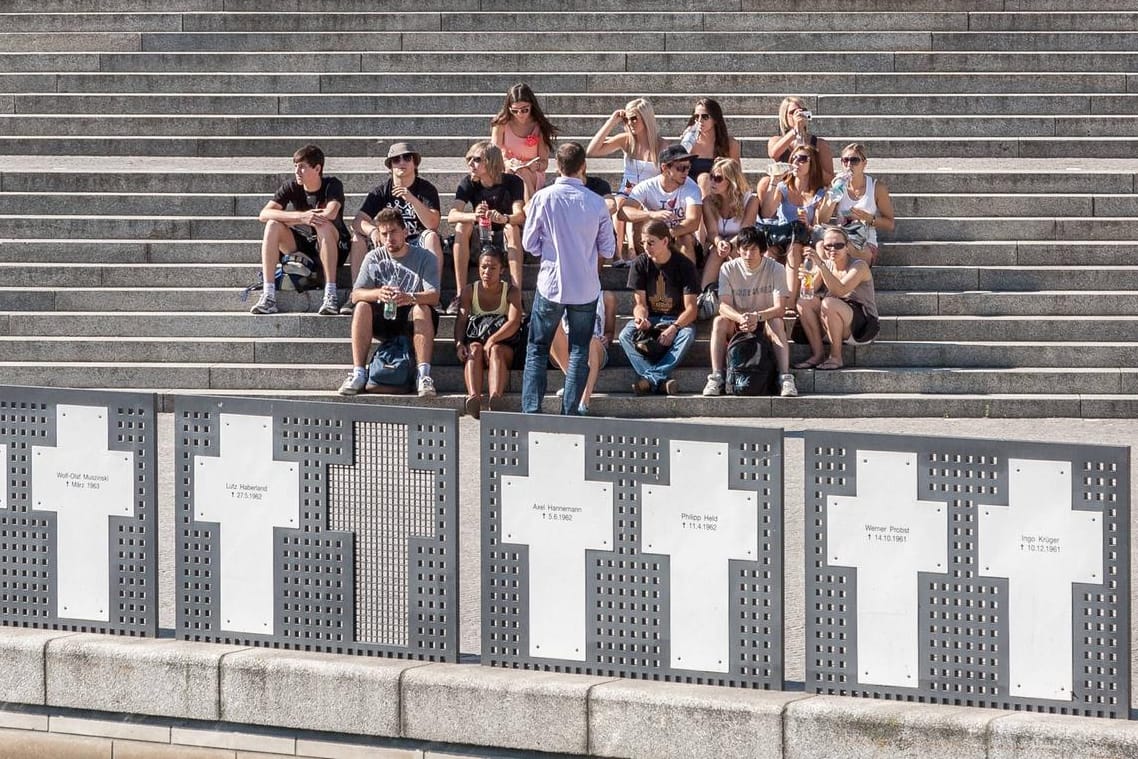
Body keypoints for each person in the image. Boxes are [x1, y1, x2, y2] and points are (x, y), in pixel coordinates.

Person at [521, 141, 615, 415]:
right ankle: (570, 412)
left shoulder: (542, 198)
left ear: (557, 166)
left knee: (537, 348)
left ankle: (531, 410)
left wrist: (548, 251)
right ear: (583, 166)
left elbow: (529, 243)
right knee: (578, 351)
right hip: (585, 286)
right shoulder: (597, 202)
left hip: (551, 283)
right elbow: (608, 249)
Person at [336, 209, 441, 397]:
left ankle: (423, 375)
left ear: (405, 232)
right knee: (361, 305)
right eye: (384, 234)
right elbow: (355, 294)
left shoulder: (425, 257)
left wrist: (410, 297)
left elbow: (434, 296)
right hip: (384, 315)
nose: (388, 238)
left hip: (410, 316)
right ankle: (359, 373)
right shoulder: (373, 257)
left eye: (393, 232)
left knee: (422, 308)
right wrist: (378, 293)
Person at [251, 144, 350, 316]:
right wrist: (300, 217)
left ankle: (330, 294)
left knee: (323, 224)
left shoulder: (332, 185)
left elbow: (331, 212)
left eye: (302, 167)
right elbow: (264, 214)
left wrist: (303, 218)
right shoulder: (291, 186)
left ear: (317, 168)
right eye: (295, 166)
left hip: (332, 246)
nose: (297, 171)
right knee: (272, 224)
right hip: (303, 247)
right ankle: (268, 295)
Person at [702, 226, 796, 398]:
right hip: (739, 323)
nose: (748, 254)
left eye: (753, 249)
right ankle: (716, 377)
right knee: (719, 321)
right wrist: (740, 318)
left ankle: (785, 377)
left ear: (762, 250)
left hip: (765, 320)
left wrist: (757, 317)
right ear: (738, 250)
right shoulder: (728, 268)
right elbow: (723, 306)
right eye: (744, 249)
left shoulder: (776, 269)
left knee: (776, 322)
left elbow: (780, 308)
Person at [348, 142, 442, 310]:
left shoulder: (426, 189)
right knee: (357, 237)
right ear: (390, 165)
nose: (401, 162)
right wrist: (373, 231)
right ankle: (357, 292)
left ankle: (432, 294)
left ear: (414, 163)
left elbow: (433, 223)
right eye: (396, 159)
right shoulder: (382, 191)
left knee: (432, 237)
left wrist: (412, 198)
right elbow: (357, 221)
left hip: (416, 244)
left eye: (407, 158)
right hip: (388, 241)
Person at [619, 219, 699, 396]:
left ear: (665, 241)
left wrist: (674, 327)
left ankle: (649, 379)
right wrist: (641, 318)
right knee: (625, 334)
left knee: (688, 334)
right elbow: (640, 304)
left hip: (676, 320)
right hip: (652, 317)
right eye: (643, 242)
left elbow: (691, 310)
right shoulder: (640, 264)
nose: (646, 247)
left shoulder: (684, 265)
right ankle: (659, 380)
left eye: (651, 242)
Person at [586, 97, 668, 264]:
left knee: (633, 207)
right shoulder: (626, 140)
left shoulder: (661, 145)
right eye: (627, 119)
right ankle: (618, 255)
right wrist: (612, 121)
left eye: (634, 118)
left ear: (646, 118)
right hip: (628, 189)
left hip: (650, 192)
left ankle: (633, 250)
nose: (630, 123)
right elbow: (592, 151)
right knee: (617, 205)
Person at [446, 142, 526, 312]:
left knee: (512, 228)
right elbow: (452, 215)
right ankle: (461, 294)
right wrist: (474, 215)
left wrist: (504, 218)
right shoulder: (468, 182)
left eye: (476, 160)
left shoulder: (513, 182)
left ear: (491, 161)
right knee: (462, 226)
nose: (470, 164)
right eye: (469, 159)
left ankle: (516, 294)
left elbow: (520, 216)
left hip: (503, 240)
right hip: (481, 237)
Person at [794, 226, 880, 371]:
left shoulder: (859, 266)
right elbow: (808, 293)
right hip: (835, 320)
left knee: (829, 303)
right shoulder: (827, 265)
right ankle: (818, 354)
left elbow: (839, 290)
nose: (832, 249)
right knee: (804, 302)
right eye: (828, 246)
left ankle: (836, 357)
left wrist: (821, 265)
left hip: (863, 326)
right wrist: (806, 278)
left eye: (838, 245)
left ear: (847, 247)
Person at [454, 246, 524, 419]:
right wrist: (459, 344)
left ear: (502, 270)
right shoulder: (469, 291)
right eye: (484, 267)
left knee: (496, 350)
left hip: (504, 344)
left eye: (493, 268)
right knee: (475, 349)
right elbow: (461, 320)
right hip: (477, 341)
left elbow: (514, 322)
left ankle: (495, 398)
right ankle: (474, 398)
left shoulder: (511, 292)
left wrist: (492, 340)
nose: (487, 271)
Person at [761, 144, 826, 313]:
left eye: (803, 158)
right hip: (781, 235)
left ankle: (789, 302)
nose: (797, 162)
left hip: (804, 239)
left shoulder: (819, 193)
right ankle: (767, 302)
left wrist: (807, 224)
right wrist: (774, 183)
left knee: (794, 248)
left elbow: (818, 225)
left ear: (812, 164)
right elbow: (767, 212)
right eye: (795, 158)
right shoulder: (783, 187)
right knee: (768, 254)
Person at [619, 145, 703, 264]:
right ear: (664, 168)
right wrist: (651, 214)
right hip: (652, 240)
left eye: (688, 167)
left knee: (685, 237)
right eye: (680, 168)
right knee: (638, 224)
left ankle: (689, 280)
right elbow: (623, 212)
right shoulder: (647, 186)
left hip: (676, 236)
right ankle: (647, 269)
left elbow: (693, 221)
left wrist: (665, 235)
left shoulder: (691, 188)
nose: (686, 172)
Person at [815, 142, 895, 266]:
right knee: (821, 246)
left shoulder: (876, 188)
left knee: (842, 249)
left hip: (865, 244)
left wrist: (868, 218)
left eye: (854, 160)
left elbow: (890, 224)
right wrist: (832, 199)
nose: (849, 165)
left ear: (864, 164)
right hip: (840, 240)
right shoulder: (837, 186)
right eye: (845, 160)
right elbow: (821, 220)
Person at [549, 291, 616, 415]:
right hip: (568, 348)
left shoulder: (606, 297)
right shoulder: (561, 295)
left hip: (595, 346)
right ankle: (574, 384)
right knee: (550, 329)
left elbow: (610, 332)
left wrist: (607, 338)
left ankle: (584, 401)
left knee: (588, 338)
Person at [490, 82, 559, 202]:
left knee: (523, 173)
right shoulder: (501, 124)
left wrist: (534, 166)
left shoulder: (539, 126)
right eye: (515, 111)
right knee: (513, 173)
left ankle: (528, 209)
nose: (520, 114)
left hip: (533, 173)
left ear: (532, 106)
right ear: (509, 109)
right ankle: (526, 210)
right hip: (507, 168)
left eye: (524, 110)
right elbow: (493, 155)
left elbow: (544, 163)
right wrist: (507, 163)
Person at [701, 157, 759, 289]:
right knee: (717, 251)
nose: (712, 182)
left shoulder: (751, 201)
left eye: (718, 178)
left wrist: (729, 245)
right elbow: (712, 232)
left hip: (742, 242)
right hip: (716, 245)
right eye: (711, 177)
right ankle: (704, 295)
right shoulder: (708, 202)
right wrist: (719, 242)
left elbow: (745, 231)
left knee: (736, 251)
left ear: (731, 181)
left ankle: (746, 292)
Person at [678, 97, 742, 196]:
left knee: (704, 179)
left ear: (715, 119)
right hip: (691, 193)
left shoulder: (730, 144)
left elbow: (737, 176)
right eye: (696, 117)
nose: (700, 120)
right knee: (703, 179)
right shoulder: (689, 143)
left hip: (719, 193)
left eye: (705, 117)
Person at [767, 96, 835, 184]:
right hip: (786, 187)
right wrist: (795, 130)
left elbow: (830, 178)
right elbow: (774, 153)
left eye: (802, 111)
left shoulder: (820, 144)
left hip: (811, 187)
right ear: (785, 117)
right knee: (765, 183)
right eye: (793, 112)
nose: (798, 115)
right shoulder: (775, 141)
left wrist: (811, 165)